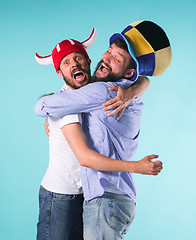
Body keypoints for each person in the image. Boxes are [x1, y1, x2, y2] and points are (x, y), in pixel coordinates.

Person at [35, 20, 171, 239]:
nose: (106, 58)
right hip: (83, 194)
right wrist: (135, 89)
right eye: (108, 52)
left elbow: (40, 106)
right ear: (59, 72)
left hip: (104, 197)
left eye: (117, 58)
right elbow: (144, 79)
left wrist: (136, 167)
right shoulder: (111, 91)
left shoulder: (101, 92)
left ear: (87, 61)